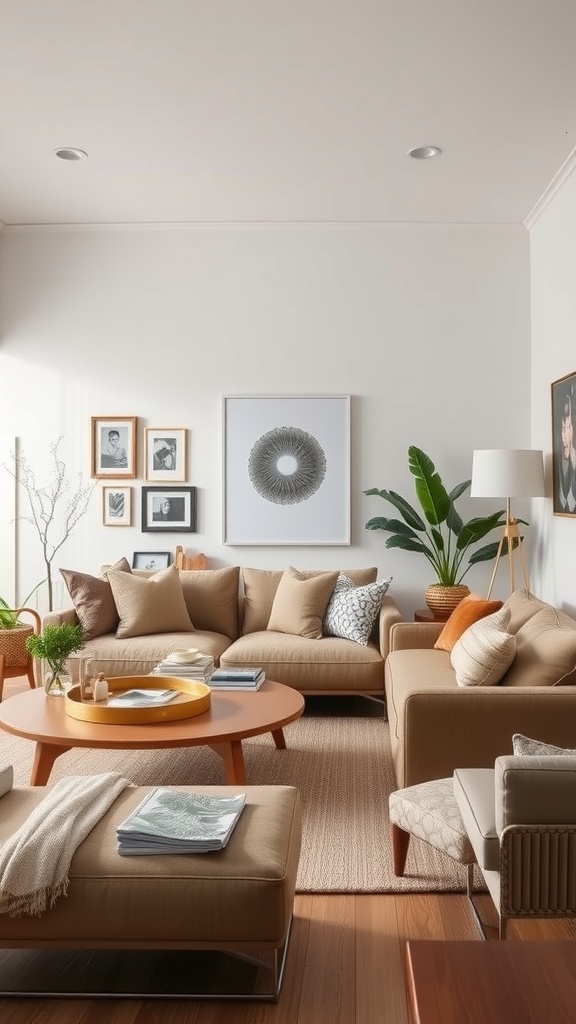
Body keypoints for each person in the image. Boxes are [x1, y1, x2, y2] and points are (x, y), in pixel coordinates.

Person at [557, 394, 576, 513]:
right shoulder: (559, 461)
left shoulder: (574, 460)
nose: (565, 435)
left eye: (568, 428)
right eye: (563, 428)